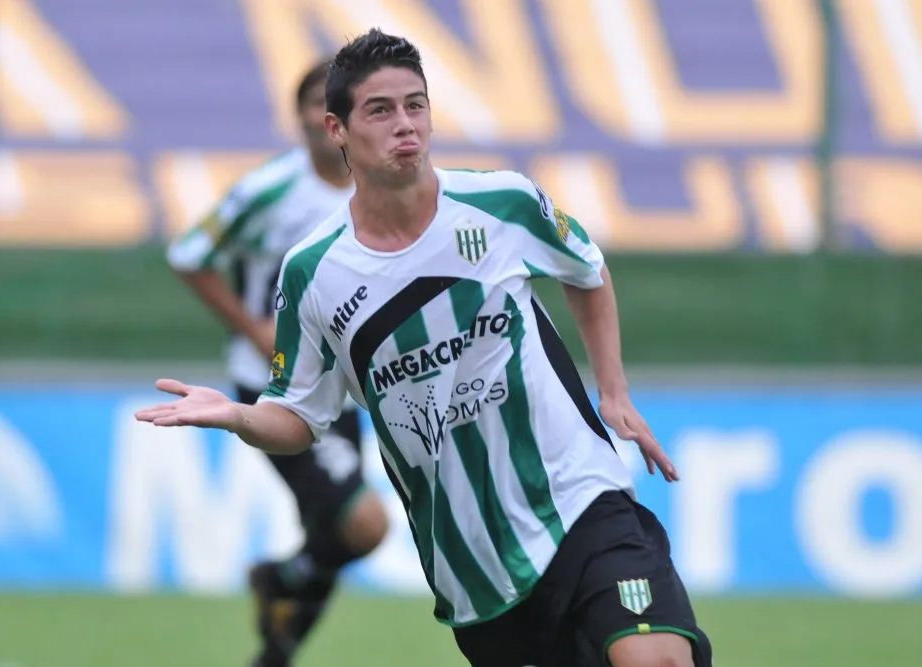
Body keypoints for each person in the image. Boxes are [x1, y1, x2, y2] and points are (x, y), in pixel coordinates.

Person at [141, 29, 713, 667]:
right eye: (380, 111)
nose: (405, 124)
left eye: (416, 105)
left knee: (658, 659)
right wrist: (240, 416)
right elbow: (299, 416)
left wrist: (613, 391)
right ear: (338, 129)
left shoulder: (503, 202)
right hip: (471, 563)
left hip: (578, 495)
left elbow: (586, 268)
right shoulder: (313, 269)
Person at [164, 60, 389, 667]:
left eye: (333, 104)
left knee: (331, 529)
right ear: (300, 118)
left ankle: (275, 641)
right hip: (276, 385)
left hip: (344, 386)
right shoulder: (270, 189)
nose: (322, 117)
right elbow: (189, 254)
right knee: (363, 525)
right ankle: (282, 580)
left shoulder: (382, 187)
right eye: (312, 104)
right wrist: (254, 326)